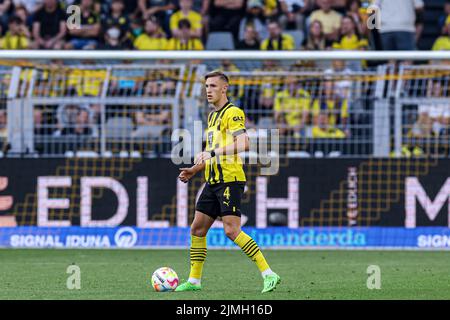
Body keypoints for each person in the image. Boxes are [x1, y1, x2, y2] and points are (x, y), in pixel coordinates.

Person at [176, 70, 281, 293]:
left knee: (231, 230)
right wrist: (194, 170)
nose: (208, 90)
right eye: (206, 86)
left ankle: (269, 274)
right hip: (212, 179)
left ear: (224, 88)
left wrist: (212, 155)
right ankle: (194, 281)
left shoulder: (233, 112)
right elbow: (210, 150)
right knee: (197, 229)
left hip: (230, 179)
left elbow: (244, 143)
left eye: (213, 86)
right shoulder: (212, 116)